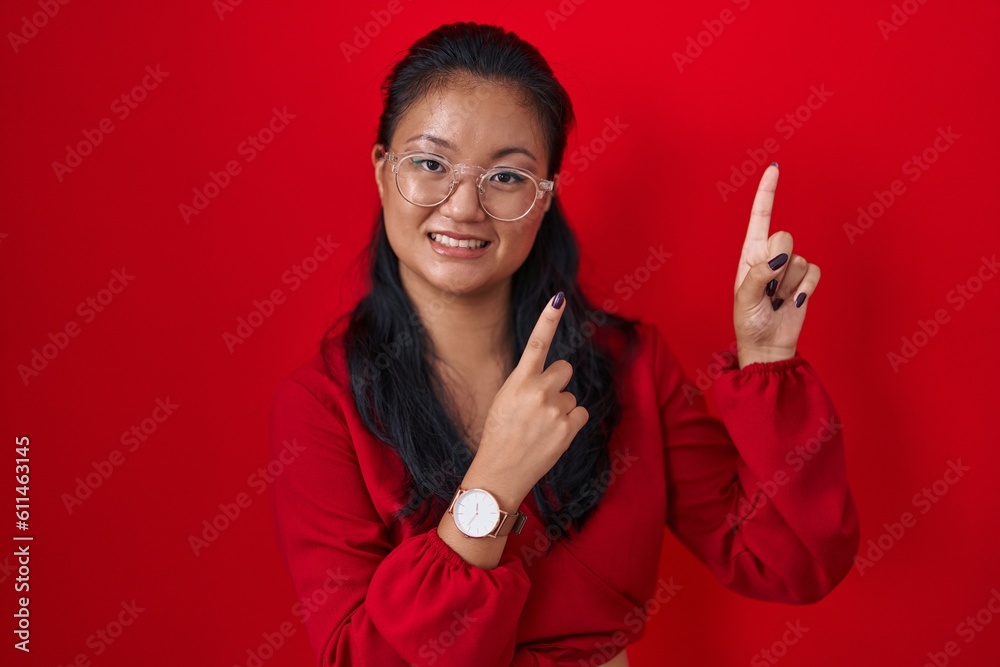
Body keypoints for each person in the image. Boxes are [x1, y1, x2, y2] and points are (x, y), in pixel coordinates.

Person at [268, 22, 860, 667]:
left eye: (507, 177)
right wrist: (494, 483)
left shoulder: (630, 364)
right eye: (430, 164)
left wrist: (767, 364)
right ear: (383, 171)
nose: (464, 206)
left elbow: (791, 564)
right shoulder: (321, 405)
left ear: (545, 196)